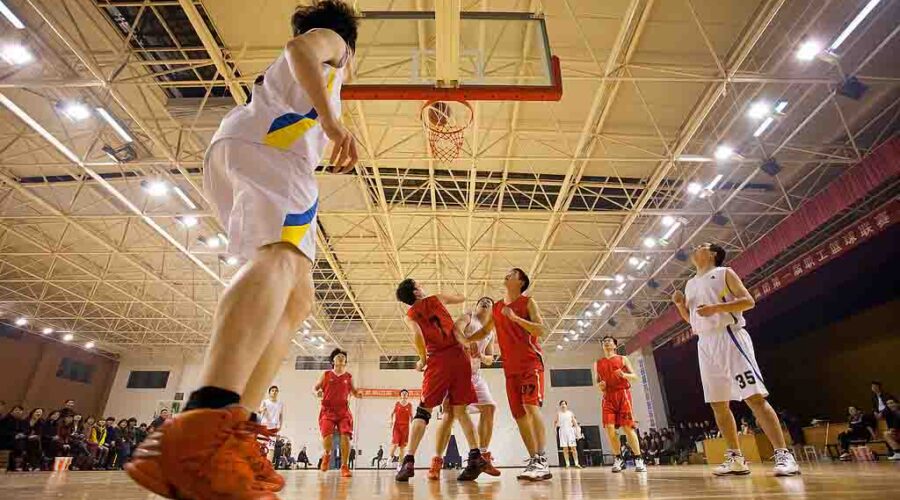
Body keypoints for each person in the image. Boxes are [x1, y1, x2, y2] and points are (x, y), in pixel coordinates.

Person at [126, 3, 359, 497]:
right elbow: (299, 46)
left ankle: (230, 433)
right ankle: (201, 423)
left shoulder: (305, 83)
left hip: (255, 150)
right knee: (281, 257)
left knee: (298, 300)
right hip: (272, 150)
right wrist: (336, 124)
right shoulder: (333, 45)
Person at [672, 242, 799, 477]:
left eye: (702, 245)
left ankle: (784, 454)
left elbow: (748, 301)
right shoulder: (690, 284)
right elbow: (694, 320)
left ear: (713, 254)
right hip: (704, 342)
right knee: (718, 403)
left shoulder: (724, 273)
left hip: (729, 335)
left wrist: (716, 308)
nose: (696, 247)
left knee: (754, 397)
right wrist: (681, 306)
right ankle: (736, 458)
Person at [393, 278, 488, 482]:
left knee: (423, 411)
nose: (423, 286)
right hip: (460, 357)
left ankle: (408, 460)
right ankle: (475, 456)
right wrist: (458, 291)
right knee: (461, 411)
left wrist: (422, 359)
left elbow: (418, 336)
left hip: (438, 360)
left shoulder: (410, 315)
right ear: (417, 292)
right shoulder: (437, 298)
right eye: (420, 285)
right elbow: (461, 297)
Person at [468, 268, 551, 481]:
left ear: (520, 281)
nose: (506, 274)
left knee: (531, 407)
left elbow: (540, 330)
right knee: (519, 416)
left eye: (512, 273)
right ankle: (534, 461)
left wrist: (515, 318)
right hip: (510, 369)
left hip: (530, 363)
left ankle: (542, 459)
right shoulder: (496, 307)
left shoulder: (527, 302)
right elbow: (485, 331)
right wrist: (463, 340)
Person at [428, 297, 502, 480]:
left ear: (491, 310)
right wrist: (468, 343)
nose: (485, 302)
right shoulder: (468, 317)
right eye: (481, 301)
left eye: (488, 302)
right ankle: (437, 461)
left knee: (490, 408)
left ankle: (482, 457)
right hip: (456, 372)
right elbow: (455, 330)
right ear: (476, 306)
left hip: (475, 376)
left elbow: (491, 358)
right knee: (448, 416)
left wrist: (483, 357)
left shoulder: (490, 332)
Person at [596, 335, 645, 473]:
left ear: (615, 345)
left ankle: (639, 458)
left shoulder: (623, 359)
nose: (606, 343)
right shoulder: (598, 363)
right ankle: (618, 458)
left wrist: (623, 375)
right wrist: (601, 385)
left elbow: (634, 376)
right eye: (604, 341)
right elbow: (597, 382)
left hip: (623, 394)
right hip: (608, 397)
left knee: (628, 428)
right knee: (609, 429)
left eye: (609, 341)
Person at [315, 348, 360, 477]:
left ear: (345, 361)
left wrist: (358, 394)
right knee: (327, 437)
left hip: (343, 411)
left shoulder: (348, 377)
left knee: (345, 437)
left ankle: (344, 466)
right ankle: (327, 454)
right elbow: (315, 388)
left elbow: (354, 392)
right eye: (338, 356)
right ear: (333, 360)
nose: (340, 357)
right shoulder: (326, 374)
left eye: (343, 356)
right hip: (327, 411)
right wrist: (317, 393)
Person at [555, 401, 582, 468]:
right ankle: (567, 464)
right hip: (562, 431)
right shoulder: (558, 414)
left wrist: (578, 433)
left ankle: (576, 463)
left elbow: (575, 422)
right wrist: (555, 430)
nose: (563, 405)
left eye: (564, 404)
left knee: (573, 448)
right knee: (565, 448)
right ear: (560, 406)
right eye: (561, 404)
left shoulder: (570, 413)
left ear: (566, 405)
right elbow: (555, 422)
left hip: (570, 431)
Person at [389, 390, 413, 463]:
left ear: (407, 396)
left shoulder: (409, 405)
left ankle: (400, 464)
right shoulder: (397, 404)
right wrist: (391, 421)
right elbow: (392, 414)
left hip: (405, 428)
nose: (404, 395)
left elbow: (411, 416)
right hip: (397, 427)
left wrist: (414, 425)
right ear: (400, 395)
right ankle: (392, 456)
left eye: (406, 394)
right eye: (403, 394)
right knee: (395, 444)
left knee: (402, 448)